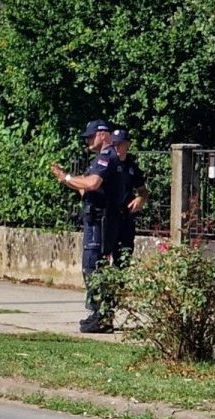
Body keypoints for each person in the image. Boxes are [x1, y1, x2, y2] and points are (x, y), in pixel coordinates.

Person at [49, 119, 126, 333]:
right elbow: (87, 188)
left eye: (90, 136)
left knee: (93, 268)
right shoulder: (110, 158)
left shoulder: (106, 157)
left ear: (103, 134)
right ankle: (100, 314)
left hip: (100, 222)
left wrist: (66, 177)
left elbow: (92, 184)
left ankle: (100, 315)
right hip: (101, 220)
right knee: (97, 268)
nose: (87, 141)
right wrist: (67, 180)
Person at [110, 128, 148, 267]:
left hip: (126, 217)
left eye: (120, 144)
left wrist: (140, 199)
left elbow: (143, 191)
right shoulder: (105, 164)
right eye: (114, 144)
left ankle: (117, 286)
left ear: (127, 145)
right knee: (102, 255)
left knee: (123, 256)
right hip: (108, 216)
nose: (117, 147)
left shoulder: (132, 168)